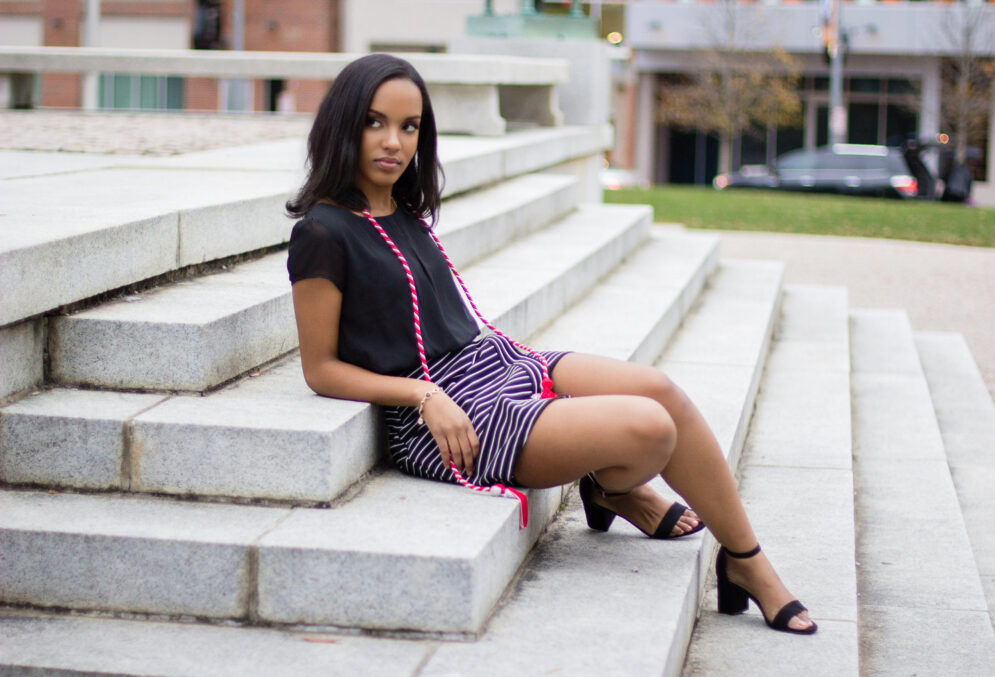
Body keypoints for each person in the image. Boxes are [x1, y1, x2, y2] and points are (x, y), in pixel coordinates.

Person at [285, 53, 816, 635]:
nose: (394, 141)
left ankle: (745, 561)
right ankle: (612, 486)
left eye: (409, 126)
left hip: (492, 364)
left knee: (660, 389)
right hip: (448, 417)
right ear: (344, 125)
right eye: (374, 122)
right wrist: (421, 396)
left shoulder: (402, 207)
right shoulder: (322, 232)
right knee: (649, 427)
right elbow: (321, 370)